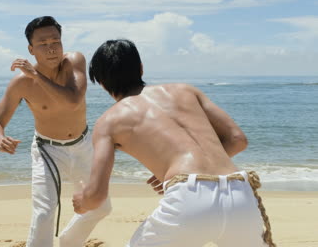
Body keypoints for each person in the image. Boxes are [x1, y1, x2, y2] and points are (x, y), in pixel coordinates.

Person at [72, 39, 275, 247]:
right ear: (141, 68)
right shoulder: (186, 91)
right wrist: (192, 171)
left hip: (189, 199)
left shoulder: (109, 121)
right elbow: (237, 139)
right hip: (240, 193)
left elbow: (96, 195)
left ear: (102, 83)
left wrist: (82, 201)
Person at [0, 16, 111, 247]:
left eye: (56, 41)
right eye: (43, 44)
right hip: (47, 151)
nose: (51, 48)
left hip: (83, 145)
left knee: (101, 205)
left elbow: (74, 100)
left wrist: (37, 76)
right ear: (31, 49)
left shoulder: (74, 61)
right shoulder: (21, 84)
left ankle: (69, 242)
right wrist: (0, 138)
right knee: (44, 213)